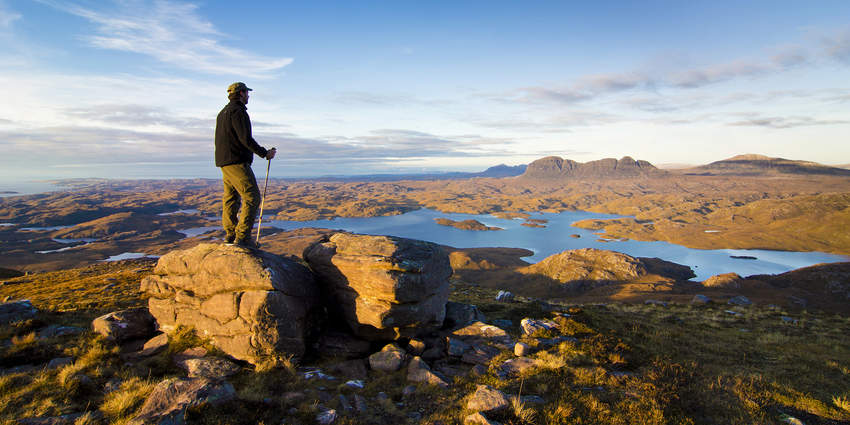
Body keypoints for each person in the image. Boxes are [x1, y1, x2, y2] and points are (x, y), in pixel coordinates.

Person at [214, 82, 276, 248]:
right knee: (252, 197)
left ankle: (230, 235)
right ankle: (242, 238)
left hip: (224, 162)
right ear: (241, 93)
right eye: (247, 93)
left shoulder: (223, 113)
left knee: (231, 198)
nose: (248, 96)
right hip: (236, 162)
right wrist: (265, 153)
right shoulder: (238, 112)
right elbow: (245, 139)